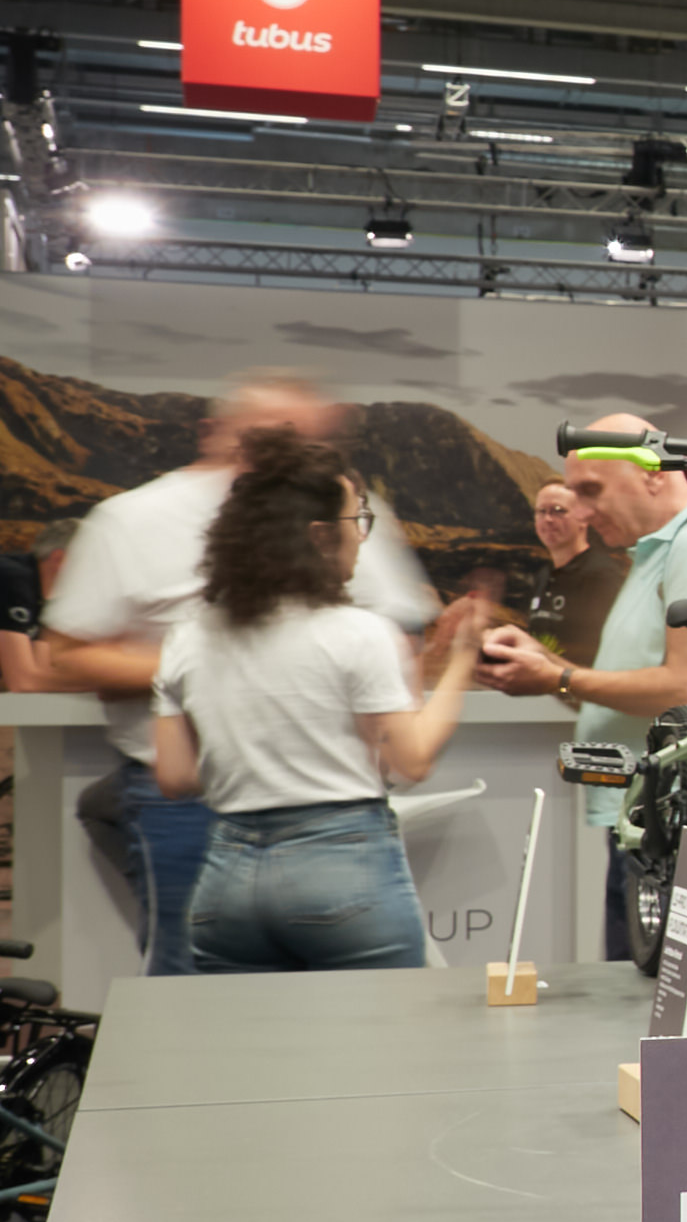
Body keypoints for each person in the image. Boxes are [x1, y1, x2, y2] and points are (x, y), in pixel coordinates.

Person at [38, 370, 436, 972]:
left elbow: (404, 629)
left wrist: (215, 673)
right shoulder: (132, 519)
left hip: (226, 822)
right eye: (277, 437)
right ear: (216, 432)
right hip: (276, 819)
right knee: (367, 1030)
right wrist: (262, 670)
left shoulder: (197, 635)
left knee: (220, 1020)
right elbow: (62, 656)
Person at [151, 431, 481, 972]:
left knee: (255, 1053)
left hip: (227, 878)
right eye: (357, 522)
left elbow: (176, 775)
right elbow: (411, 759)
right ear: (320, 536)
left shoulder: (188, 636)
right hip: (343, 866)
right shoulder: (358, 632)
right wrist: (462, 659)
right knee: (383, 1046)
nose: (361, 538)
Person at [470, 413, 687, 954]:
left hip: (679, 825)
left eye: (590, 491)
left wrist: (558, 675)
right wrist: (549, 672)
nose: (580, 512)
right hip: (652, 820)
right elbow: (653, 676)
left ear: (653, 474)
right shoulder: (664, 548)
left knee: (668, 1014)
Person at [522, 478, 627, 662]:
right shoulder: (543, 576)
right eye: (541, 511)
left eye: (558, 511)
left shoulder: (602, 577)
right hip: (545, 689)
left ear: (583, 518)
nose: (548, 519)